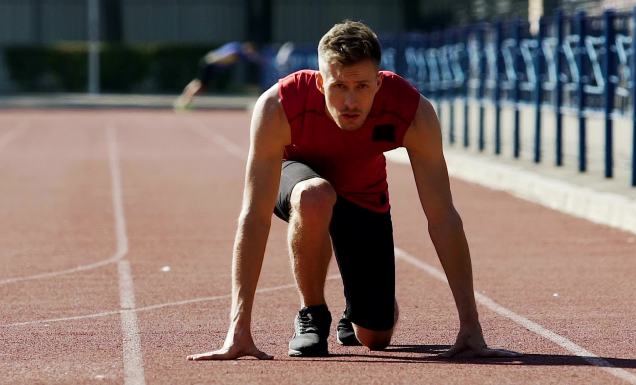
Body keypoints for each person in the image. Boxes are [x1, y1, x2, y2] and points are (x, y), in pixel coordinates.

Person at [187, 20, 520, 360]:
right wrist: (238, 328)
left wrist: (470, 325)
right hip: (300, 180)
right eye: (339, 86)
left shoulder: (413, 112)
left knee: (374, 336)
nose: (350, 101)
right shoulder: (278, 106)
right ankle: (312, 315)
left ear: (379, 82)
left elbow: (443, 217)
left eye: (362, 86)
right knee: (315, 195)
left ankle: (359, 305)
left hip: (363, 192)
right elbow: (254, 217)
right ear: (320, 83)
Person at [174, 41, 260, 110]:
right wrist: (216, 62)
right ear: (249, 47)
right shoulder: (237, 51)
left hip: (208, 63)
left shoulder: (236, 46)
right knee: (201, 86)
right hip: (211, 64)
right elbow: (226, 57)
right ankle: (185, 102)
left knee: (198, 82)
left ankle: (184, 99)